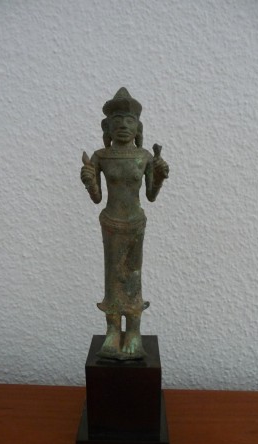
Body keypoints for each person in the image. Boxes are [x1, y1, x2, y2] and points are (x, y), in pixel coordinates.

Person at [81, 87, 169, 360]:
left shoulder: (144, 157)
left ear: (138, 127)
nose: (123, 125)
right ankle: (112, 330)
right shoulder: (101, 156)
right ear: (107, 127)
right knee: (112, 276)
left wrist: (160, 176)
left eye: (129, 120)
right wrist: (89, 181)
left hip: (135, 223)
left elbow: (151, 196)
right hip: (111, 222)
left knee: (132, 275)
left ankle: (133, 330)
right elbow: (97, 198)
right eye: (117, 120)